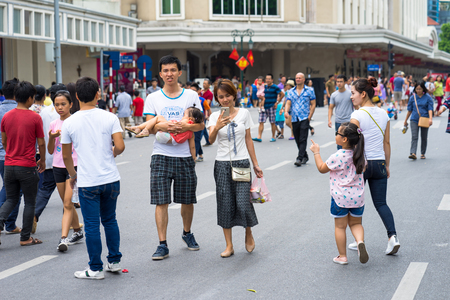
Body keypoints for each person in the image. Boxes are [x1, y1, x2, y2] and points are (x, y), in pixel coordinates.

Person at [132, 55, 204, 260]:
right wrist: (166, 125)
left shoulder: (190, 96)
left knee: (187, 200)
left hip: (184, 157)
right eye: (165, 70)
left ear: (180, 72)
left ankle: (187, 233)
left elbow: (200, 125)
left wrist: (183, 126)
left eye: (173, 70)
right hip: (161, 155)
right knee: (160, 201)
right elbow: (149, 125)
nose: (169, 74)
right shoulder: (153, 98)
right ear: (161, 74)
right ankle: (162, 244)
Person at [61, 77, 125, 279]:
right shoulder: (110, 117)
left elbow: (65, 155)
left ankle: (95, 268)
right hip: (111, 179)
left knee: (91, 225)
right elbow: (120, 146)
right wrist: (111, 153)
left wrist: (73, 175)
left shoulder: (69, 122)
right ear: (98, 94)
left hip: (88, 181)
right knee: (110, 220)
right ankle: (114, 262)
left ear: (77, 96)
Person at [207, 79, 263, 257]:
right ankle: (229, 245)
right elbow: (210, 140)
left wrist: (255, 164)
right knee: (225, 203)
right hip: (222, 164)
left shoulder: (244, 113)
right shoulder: (215, 116)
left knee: (242, 202)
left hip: (241, 163)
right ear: (217, 98)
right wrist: (216, 127)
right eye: (221, 97)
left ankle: (248, 232)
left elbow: (248, 139)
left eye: (228, 95)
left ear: (234, 95)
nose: (225, 99)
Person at [349, 78, 400, 255]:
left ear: (363, 94)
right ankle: (393, 237)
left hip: (361, 165)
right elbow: (387, 142)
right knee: (381, 203)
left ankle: (359, 239)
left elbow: (351, 143)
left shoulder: (357, 115)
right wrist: (387, 165)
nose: (351, 97)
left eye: (353, 93)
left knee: (355, 203)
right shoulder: (384, 114)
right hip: (379, 163)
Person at [310, 122, 368, 265]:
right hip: (357, 198)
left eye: (338, 133)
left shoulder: (338, 156)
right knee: (355, 224)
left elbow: (322, 168)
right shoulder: (360, 155)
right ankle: (360, 241)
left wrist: (316, 152)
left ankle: (342, 256)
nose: (336, 135)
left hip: (340, 198)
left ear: (344, 139)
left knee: (340, 227)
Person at [0, 81, 45, 246]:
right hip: (27, 166)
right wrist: (43, 160)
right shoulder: (35, 117)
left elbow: (4, 141)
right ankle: (25, 237)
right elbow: (41, 143)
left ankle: (0, 222)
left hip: (9, 164)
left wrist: (11, 153)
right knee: (30, 202)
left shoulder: (6, 116)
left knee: (10, 199)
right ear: (30, 98)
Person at [48, 90, 83, 252]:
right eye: (56, 104)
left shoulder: (76, 121)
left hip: (73, 166)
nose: (60, 107)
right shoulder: (54, 124)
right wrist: (51, 137)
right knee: (65, 202)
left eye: (63, 104)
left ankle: (63, 239)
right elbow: (49, 151)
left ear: (70, 104)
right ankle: (77, 231)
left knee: (68, 203)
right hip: (57, 167)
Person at [33, 84, 61, 232]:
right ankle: (70, 222)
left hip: (48, 157)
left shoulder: (43, 112)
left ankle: (34, 214)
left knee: (45, 189)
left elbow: (41, 138)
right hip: (63, 158)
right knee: (68, 192)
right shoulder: (64, 113)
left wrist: (42, 157)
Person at [0, 78, 22, 235]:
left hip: (2, 155)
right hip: (11, 156)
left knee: (7, 188)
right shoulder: (20, 111)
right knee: (14, 190)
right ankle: (9, 223)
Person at [284, 72, 316, 167]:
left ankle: (299, 158)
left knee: (303, 138)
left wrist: (310, 116)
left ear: (303, 80)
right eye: (296, 78)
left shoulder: (309, 90)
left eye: (299, 78)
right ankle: (305, 155)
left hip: (305, 117)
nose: (297, 79)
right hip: (294, 118)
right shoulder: (291, 91)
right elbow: (288, 103)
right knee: (297, 138)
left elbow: (313, 104)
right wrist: (286, 111)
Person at [403, 81, 433, 160]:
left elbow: (430, 109)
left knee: (424, 137)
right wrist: (406, 120)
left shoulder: (428, 97)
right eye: (417, 89)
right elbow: (409, 110)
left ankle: (423, 153)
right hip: (414, 119)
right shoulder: (413, 98)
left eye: (420, 89)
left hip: (425, 119)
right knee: (414, 136)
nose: (418, 90)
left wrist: (430, 119)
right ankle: (413, 153)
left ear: (423, 89)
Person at [252, 74, 284, 143]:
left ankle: (273, 136)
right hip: (263, 107)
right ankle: (259, 137)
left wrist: (277, 102)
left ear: (272, 80)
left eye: (269, 79)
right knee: (261, 122)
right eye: (266, 79)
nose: (268, 80)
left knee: (272, 122)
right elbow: (259, 90)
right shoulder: (264, 86)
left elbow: (282, 94)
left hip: (272, 107)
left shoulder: (275, 87)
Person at [328, 75, 353, 150]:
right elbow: (330, 108)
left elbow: (357, 107)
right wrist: (329, 120)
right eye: (337, 82)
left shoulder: (350, 94)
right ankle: (340, 160)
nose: (339, 83)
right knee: (339, 143)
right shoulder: (334, 95)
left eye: (341, 82)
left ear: (345, 82)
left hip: (349, 121)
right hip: (338, 121)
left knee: (350, 141)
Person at [190, 82, 210, 162]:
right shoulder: (188, 100)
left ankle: (194, 156)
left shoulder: (202, 100)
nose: (192, 92)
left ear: (198, 91)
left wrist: (208, 116)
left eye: (194, 90)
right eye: (191, 90)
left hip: (199, 122)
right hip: (190, 122)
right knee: (195, 139)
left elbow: (207, 109)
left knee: (196, 139)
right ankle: (200, 155)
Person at [201, 79, 213, 146]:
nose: (203, 84)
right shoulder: (201, 92)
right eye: (203, 83)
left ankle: (198, 140)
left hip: (205, 112)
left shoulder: (210, 94)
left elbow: (207, 104)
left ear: (209, 85)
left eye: (205, 83)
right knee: (204, 127)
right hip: (200, 111)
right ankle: (208, 141)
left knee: (202, 127)